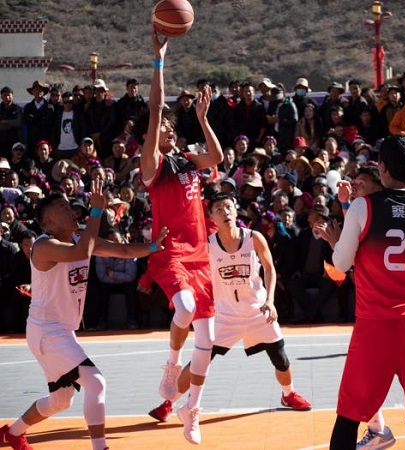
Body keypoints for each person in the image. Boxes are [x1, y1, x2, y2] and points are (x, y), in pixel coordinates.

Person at [0, 179, 168, 450]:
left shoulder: (80, 239)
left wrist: (152, 247)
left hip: (60, 331)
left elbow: (123, 250)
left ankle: (13, 432)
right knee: (96, 382)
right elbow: (80, 252)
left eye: (70, 207)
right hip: (47, 331)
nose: (71, 211)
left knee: (61, 399)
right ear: (48, 222)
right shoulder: (44, 246)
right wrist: (97, 210)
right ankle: (100, 447)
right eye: (63, 209)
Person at [317, 135, 405, 450]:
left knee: (349, 415)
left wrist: (337, 241)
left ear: (382, 168)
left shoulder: (363, 206)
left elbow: (340, 263)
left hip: (377, 322)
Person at [148, 193, 312, 425]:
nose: (225, 212)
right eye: (219, 209)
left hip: (257, 311)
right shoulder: (207, 245)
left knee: (281, 358)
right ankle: (169, 403)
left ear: (235, 210)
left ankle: (288, 394)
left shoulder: (253, 238)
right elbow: (188, 269)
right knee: (199, 360)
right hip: (224, 316)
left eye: (228, 207)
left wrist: (270, 300)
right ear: (211, 217)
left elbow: (269, 268)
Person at [135, 29, 223, 445]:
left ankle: (192, 410)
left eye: (172, 127)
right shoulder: (152, 166)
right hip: (170, 251)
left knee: (208, 339)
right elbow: (155, 108)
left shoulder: (187, 160)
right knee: (184, 308)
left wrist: (204, 120)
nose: (168, 130)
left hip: (201, 255)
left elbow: (217, 157)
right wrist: (159, 61)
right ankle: (171, 366)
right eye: (163, 128)